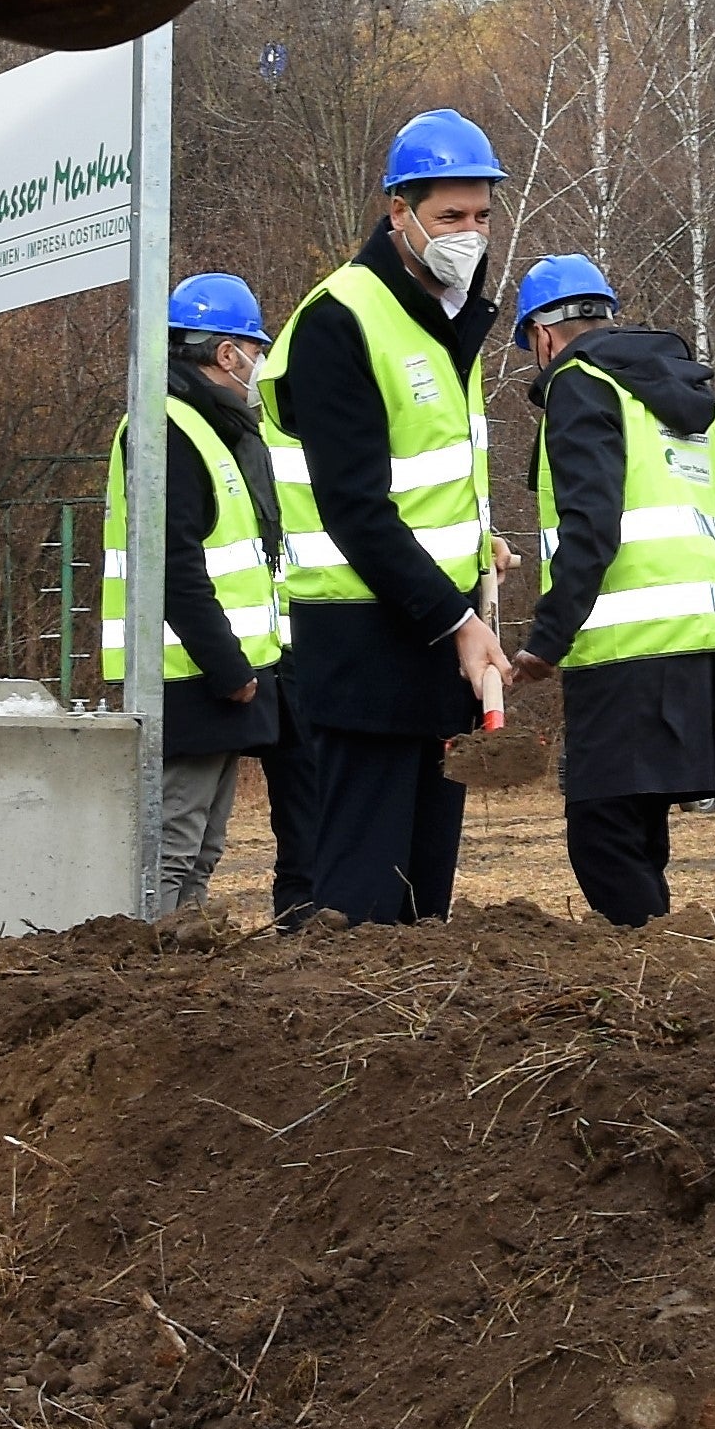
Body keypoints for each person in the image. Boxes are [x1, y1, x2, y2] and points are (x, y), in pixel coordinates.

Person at [261, 110, 513, 923]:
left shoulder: (441, 317)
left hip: (429, 641)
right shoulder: (343, 318)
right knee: (364, 904)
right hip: (366, 641)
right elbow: (354, 506)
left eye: (480, 216)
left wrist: (479, 549)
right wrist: (456, 621)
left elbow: (425, 481)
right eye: (449, 217)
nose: (468, 234)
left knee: (422, 905)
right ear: (398, 210)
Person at [512, 252, 715, 925]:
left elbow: (590, 525)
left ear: (542, 335)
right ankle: (663, 957)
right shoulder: (693, 396)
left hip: (620, 652)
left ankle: (655, 972)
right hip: (693, 645)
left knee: (601, 836)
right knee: (638, 830)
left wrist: (546, 639)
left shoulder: (580, 384)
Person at [101, 270, 292, 916]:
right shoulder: (166, 429)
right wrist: (229, 666)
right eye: (255, 351)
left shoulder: (207, 425)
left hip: (211, 677)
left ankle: (184, 963)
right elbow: (172, 565)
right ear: (225, 352)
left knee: (204, 848)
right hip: (188, 676)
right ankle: (157, 968)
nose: (258, 366)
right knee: (175, 848)